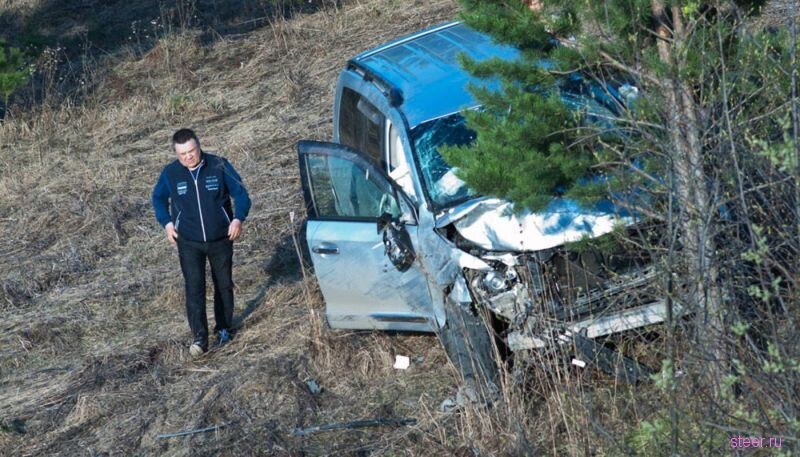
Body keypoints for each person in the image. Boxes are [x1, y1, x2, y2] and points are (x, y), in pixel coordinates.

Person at [152, 128, 251, 357]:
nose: (188, 156)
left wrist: (237, 219)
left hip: (221, 238)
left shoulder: (218, 165)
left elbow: (242, 194)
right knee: (194, 288)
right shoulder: (171, 173)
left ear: (199, 146)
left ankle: (224, 328)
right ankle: (199, 338)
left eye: (192, 151)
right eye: (183, 153)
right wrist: (166, 223)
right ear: (176, 154)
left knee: (223, 285)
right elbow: (158, 198)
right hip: (188, 242)